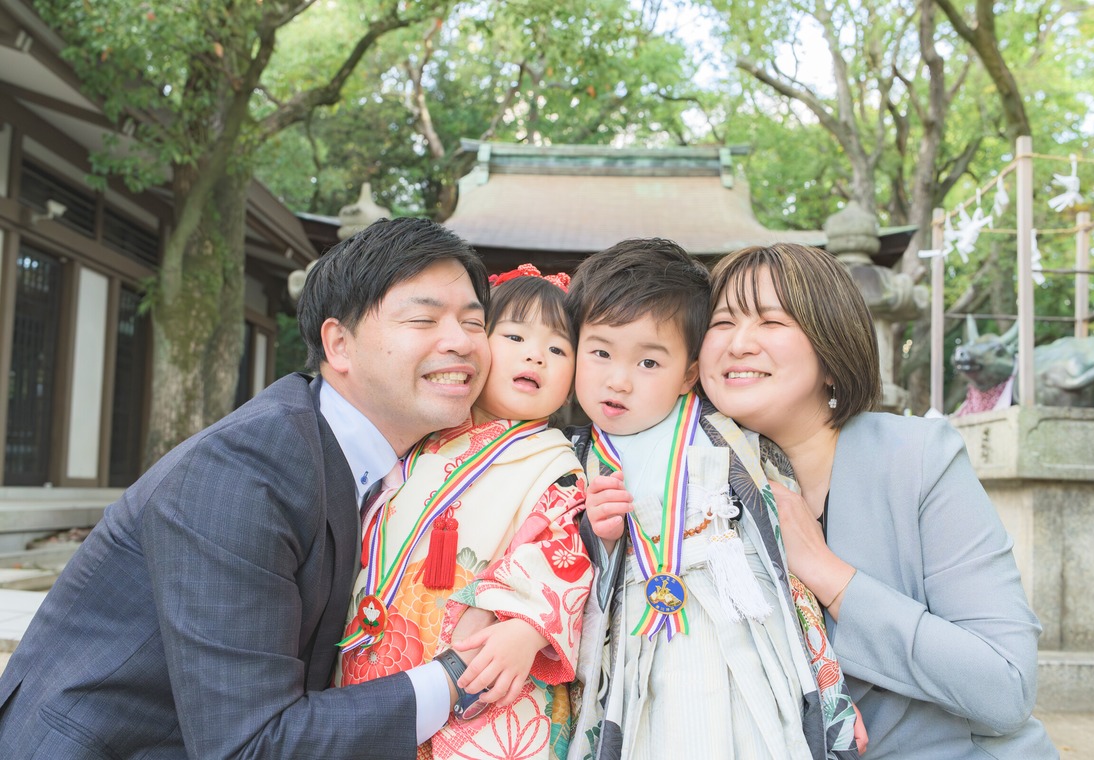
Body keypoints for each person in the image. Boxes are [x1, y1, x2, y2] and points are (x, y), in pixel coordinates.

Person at [0, 218, 501, 758]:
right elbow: (250, 744)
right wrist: (461, 675)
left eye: (475, 324)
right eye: (424, 318)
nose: (461, 343)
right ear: (339, 344)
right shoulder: (242, 473)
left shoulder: (402, 463)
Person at [697, 242, 1058, 759]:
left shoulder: (917, 459)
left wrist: (825, 571)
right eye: (722, 322)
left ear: (831, 350)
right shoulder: (688, 473)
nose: (738, 344)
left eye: (771, 322)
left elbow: (1005, 687)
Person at [564, 239, 862, 760]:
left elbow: (786, 573)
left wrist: (830, 693)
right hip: (637, 645)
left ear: (689, 372)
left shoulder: (735, 440)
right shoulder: (571, 458)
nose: (618, 380)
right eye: (600, 351)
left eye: (649, 363)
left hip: (739, 626)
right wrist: (601, 538)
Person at [335, 265, 593, 759]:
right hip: (384, 645)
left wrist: (526, 629)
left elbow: (563, 552)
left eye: (558, 349)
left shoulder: (554, 461)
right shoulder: (420, 439)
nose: (536, 354)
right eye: (514, 336)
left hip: (487, 662)